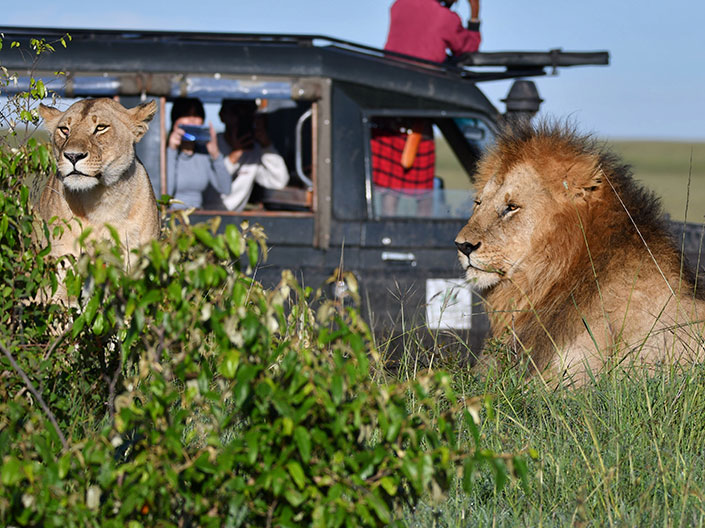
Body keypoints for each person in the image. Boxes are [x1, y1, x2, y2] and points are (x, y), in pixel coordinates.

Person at [215, 99, 289, 212]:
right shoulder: (210, 145)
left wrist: (266, 145)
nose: (241, 120)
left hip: (235, 218)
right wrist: (234, 156)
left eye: (248, 114)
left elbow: (279, 181)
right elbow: (210, 186)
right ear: (222, 116)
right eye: (236, 113)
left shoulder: (254, 150)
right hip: (207, 216)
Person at [166, 97, 231, 209]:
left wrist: (215, 154)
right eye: (186, 115)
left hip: (198, 215)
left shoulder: (203, 154)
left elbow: (226, 189)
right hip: (172, 215)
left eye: (196, 115)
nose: (192, 120)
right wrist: (171, 150)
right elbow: (166, 193)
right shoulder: (164, 153)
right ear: (175, 121)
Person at [384, 0, 481, 63]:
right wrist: (474, 13)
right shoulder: (447, 18)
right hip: (427, 78)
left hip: (390, 70)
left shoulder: (399, 4)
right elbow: (469, 49)